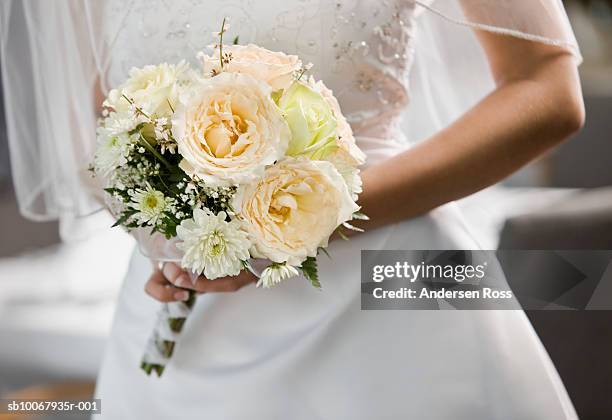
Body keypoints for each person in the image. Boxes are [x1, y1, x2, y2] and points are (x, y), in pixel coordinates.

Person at [1, 1, 584, 418]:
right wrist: (169, 236)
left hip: (395, 289)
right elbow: (95, 131)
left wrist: (305, 221)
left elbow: (548, 91)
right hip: (186, 316)